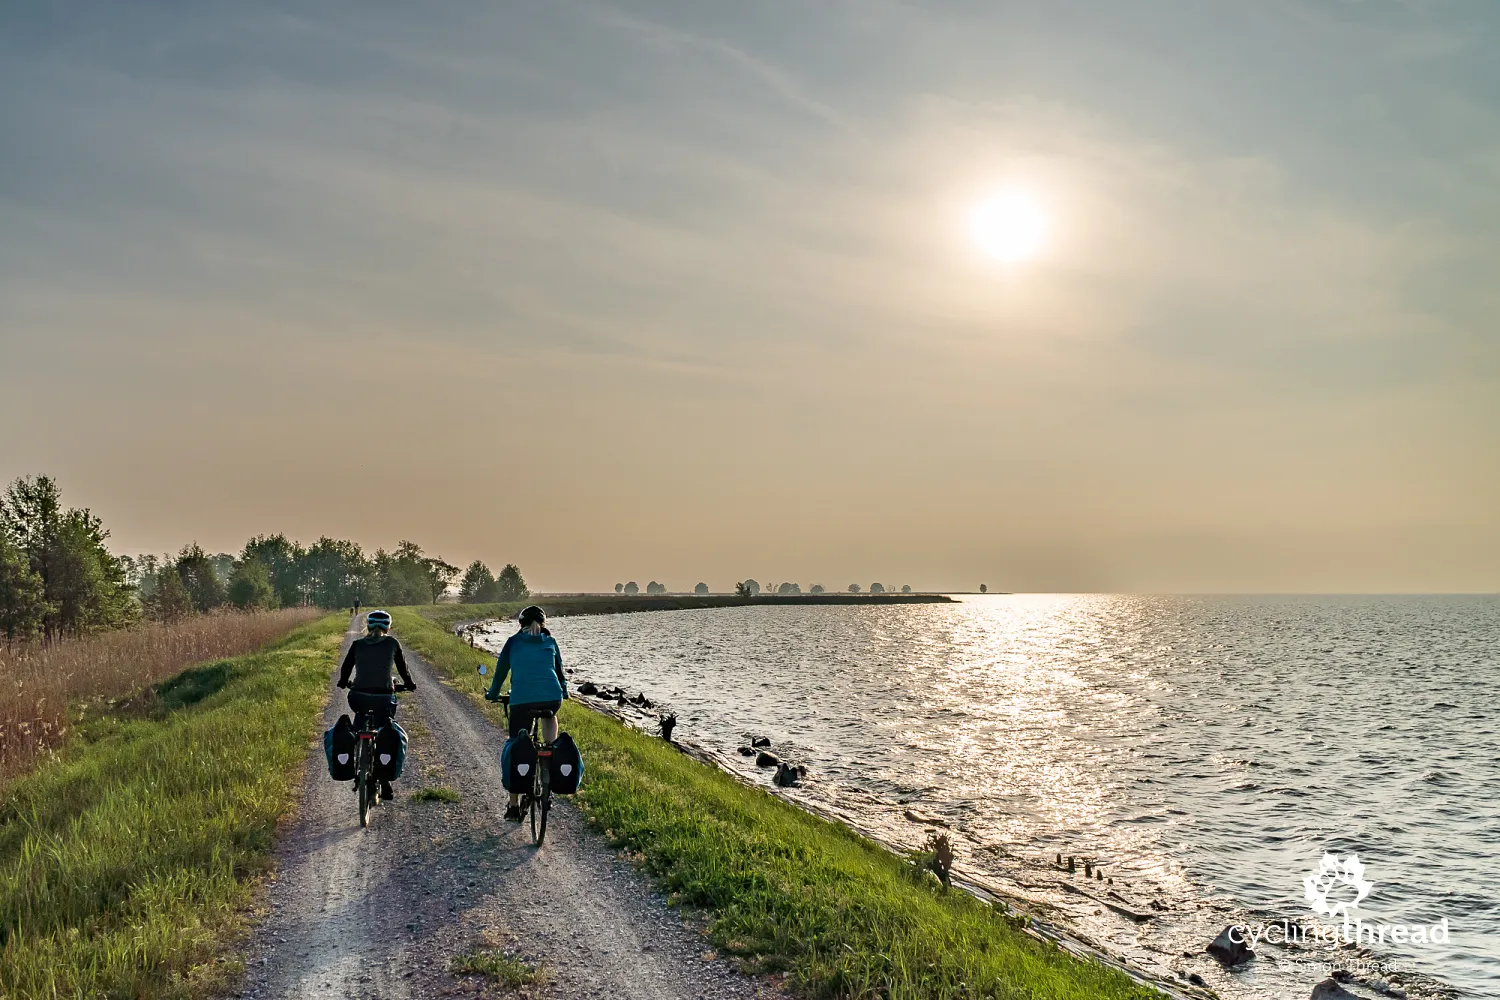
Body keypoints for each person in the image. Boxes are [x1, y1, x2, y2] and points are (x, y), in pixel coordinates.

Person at [485, 605, 568, 821]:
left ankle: (513, 805)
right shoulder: (550, 641)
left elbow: (501, 672)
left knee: (517, 744)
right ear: (543, 624)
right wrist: (564, 692)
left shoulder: (513, 642)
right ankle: (549, 760)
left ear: (520, 624)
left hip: (521, 701)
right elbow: (559, 672)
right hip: (552, 697)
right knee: (550, 715)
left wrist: (492, 694)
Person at [336, 609, 415, 801]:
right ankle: (384, 781)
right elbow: (403, 669)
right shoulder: (392, 643)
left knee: (358, 724)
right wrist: (410, 684)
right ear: (388, 627)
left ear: (368, 625)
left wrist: (342, 682)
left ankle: (355, 763)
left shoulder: (357, 644)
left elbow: (346, 669)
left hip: (358, 696)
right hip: (384, 698)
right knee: (384, 729)